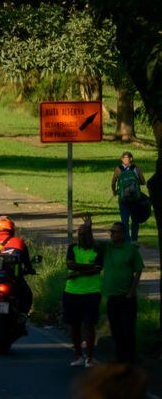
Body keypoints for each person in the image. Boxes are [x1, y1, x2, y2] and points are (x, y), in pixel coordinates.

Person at [103, 223, 145, 364]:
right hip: (112, 297)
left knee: (128, 330)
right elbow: (91, 244)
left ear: (122, 234)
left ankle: (130, 359)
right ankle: (120, 358)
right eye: (111, 231)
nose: (112, 234)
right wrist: (89, 228)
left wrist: (132, 291)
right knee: (116, 330)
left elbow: (138, 269)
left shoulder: (131, 249)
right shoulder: (107, 249)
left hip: (127, 298)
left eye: (115, 232)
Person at [66, 219, 105, 368]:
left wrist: (78, 272)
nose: (81, 236)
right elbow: (70, 264)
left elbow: (98, 269)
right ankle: (78, 355)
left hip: (91, 292)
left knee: (89, 325)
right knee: (74, 325)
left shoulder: (97, 249)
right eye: (79, 233)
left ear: (90, 235)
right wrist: (89, 267)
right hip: (72, 292)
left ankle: (89, 357)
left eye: (84, 233)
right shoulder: (72, 248)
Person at [112, 151, 149, 242]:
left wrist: (114, 191)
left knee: (124, 221)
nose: (124, 159)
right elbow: (143, 182)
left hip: (123, 199)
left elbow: (113, 182)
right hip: (135, 198)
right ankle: (134, 240)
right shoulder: (137, 168)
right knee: (135, 220)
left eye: (125, 157)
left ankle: (127, 241)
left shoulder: (118, 169)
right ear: (131, 159)